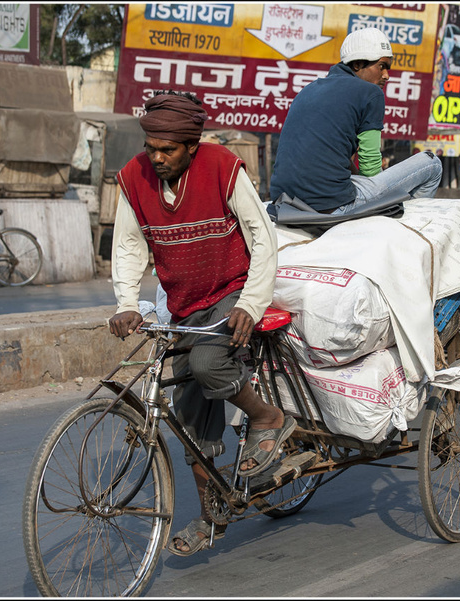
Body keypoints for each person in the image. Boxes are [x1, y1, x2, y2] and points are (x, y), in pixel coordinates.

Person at [108, 90, 292, 556]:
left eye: (167, 150)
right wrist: (126, 302)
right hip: (184, 302)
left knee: (210, 363)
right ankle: (215, 516)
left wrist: (251, 303)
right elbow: (130, 245)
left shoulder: (222, 167)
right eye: (151, 148)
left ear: (192, 145)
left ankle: (267, 417)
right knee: (189, 416)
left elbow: (260, 235)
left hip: (232, 289)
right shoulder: (134, 178)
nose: (157, 157)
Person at [269, 27, 443, 216]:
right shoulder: (371, 93)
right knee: (432, 164)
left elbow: (335, 158)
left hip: (283, 202)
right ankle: (409, 227)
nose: (386, 75)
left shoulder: (309, 89)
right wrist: (381, 192)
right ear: (357, 64)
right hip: (332, 206)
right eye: (381, 66)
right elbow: (370, 169)